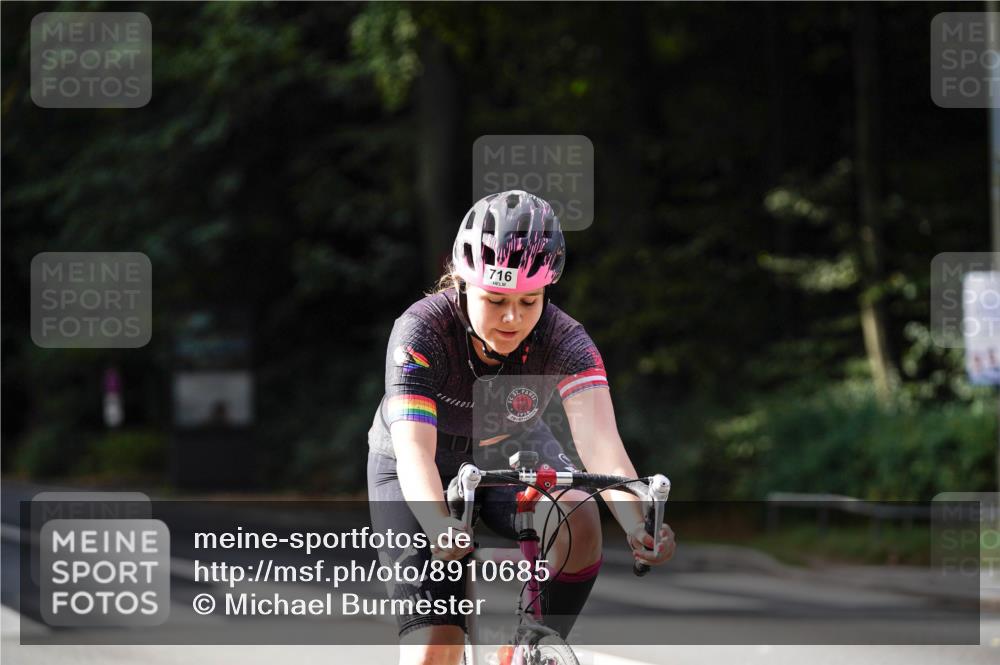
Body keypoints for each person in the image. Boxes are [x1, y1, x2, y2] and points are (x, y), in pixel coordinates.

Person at [367, 190, 676, 665]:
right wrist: (437, 524)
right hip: (415, 463)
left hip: (505, 446)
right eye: (495, 300)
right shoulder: (421, 330)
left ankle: (530, 647)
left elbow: (601, 445)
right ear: (462, 284)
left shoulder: (565, 339)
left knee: (576, 512)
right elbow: (414, 452)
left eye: (529, 301)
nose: (512, 318)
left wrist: (639, 524)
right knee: (433, 651)